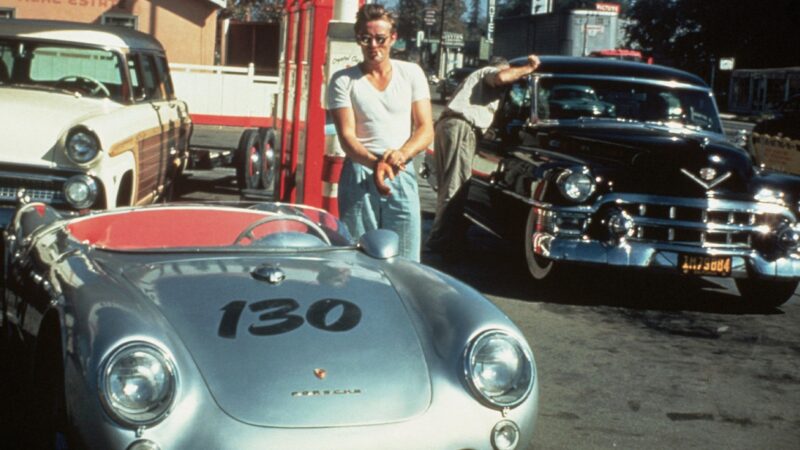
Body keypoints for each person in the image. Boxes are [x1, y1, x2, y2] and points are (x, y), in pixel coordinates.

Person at [327, 3, 433, 262]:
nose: (373, 45)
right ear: (358, 39)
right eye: (366, 38)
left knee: (406, 259)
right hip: (360, 172)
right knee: (358, 257)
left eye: (380, 38)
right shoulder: (343, 80)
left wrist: (401, 155)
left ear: (393, 38)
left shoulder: (411, 74)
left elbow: (425, 128)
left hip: (401, 170)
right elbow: (348, 138)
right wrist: (376, 164)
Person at [425, 54, 541, 254]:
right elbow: (502, 78)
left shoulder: (476, 81)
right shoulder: (489, 73)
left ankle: (448, 236)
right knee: (456, 186)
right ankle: (441, 241)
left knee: (448, 185)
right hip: (462, 127)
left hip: (449, 125)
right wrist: (529, 68)